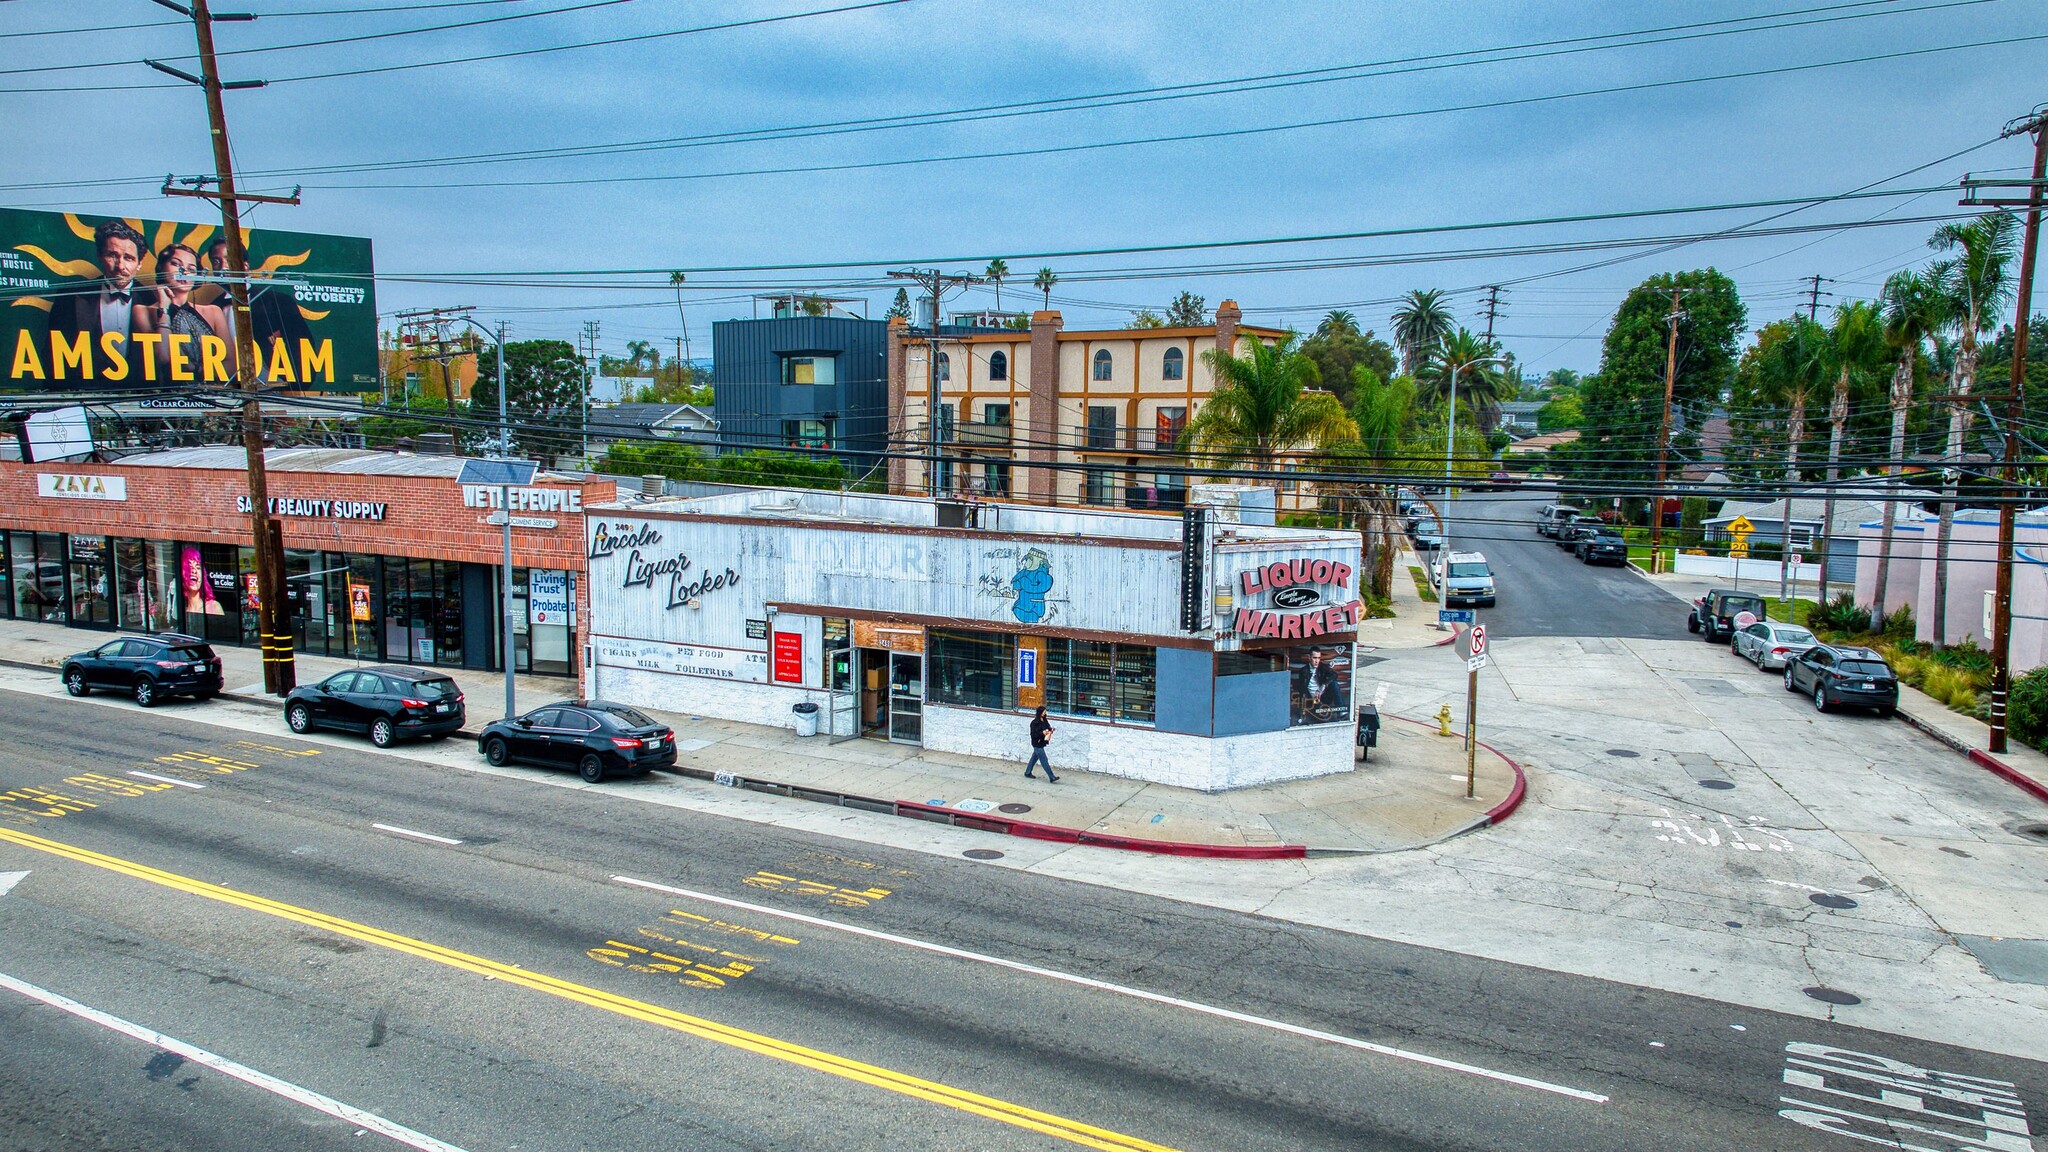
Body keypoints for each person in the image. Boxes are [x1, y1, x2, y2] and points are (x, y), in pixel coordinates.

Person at [133, 243, 230, 378]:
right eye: (176, 264)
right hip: (165, 395)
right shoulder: (142, 311)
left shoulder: (213, 312)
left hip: (214, 394)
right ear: (161, 267)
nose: (184, 272)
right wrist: (164, 309)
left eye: (191, 269)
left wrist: (196, 369)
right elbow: (162, 357)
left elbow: (231, 365)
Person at [47, 218, 152, 343]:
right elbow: (52, 353)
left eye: (128, 258)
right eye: (112, 255)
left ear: (139, 264)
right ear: (100, 256)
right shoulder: (69, 299)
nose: (120, 266)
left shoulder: (152, 300)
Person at [180, 546, 224, 617]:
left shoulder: (214, 607)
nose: (194, 571)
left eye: (197, 567)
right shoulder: (182, 613)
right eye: (189, 567)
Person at [1025, 706, 1059, 782]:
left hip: (1042, 742)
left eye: (1045, 711)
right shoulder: (1034, 723)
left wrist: (1051, 730)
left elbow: (1048, 727)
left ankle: (1028, 772)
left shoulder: (1044, 720)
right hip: (1037, 743)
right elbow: (1033, 734)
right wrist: (1042, 733)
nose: (1045, 713)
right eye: (1043, 711)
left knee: (1034, 758)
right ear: (1040, 712)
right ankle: (1051, 777)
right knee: (1044, 760)